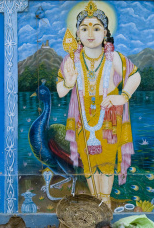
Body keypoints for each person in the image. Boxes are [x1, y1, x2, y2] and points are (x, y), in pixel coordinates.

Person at [57, 0, 141, 208]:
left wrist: (123, 96)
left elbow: (134, 76)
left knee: (106, 162)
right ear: (77, 34)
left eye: (96, 28)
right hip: (82, 118)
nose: (90, 34)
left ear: (106, 32)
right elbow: (60, 91)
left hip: (109, 116)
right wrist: (68, 82)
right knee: (88, 162)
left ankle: (105, 201)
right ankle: (96, 204)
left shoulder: (114, 59)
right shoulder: (70, 60)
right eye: (84, 28)